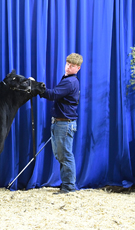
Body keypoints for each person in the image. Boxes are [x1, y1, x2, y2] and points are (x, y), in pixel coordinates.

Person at [39, 53, 83, 194]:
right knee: (62, 155)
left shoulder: (70, 82)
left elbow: (53, 95)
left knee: (65, 155)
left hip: (64, 124)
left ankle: (69, 186)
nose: (69, 67)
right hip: (62, 122)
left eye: (73, 66)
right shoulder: (69, 80)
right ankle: (66, 183)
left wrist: (38, 89)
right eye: (68, 64)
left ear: (78, 68)